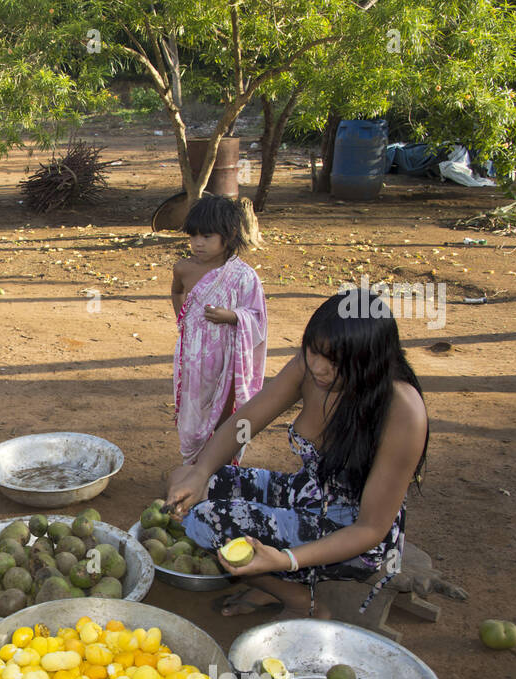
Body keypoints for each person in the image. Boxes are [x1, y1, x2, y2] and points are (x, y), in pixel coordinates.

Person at [164, 292, 428, 619]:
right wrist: (201, 470)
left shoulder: (401, 411)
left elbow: (370, 529)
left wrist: (286, 559)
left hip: (354, 536)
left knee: (207, 521)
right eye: (314, 351)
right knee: (186, 480)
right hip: (305, 494)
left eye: (333, 360)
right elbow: (245, 423)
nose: (317, 366)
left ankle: (301, 600)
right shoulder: (309, 366)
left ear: (369, 361)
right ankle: (270, 580)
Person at [170, 194, 268, 466]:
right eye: (193, 236)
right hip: (193, 358)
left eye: (207, 237)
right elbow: (177, 291)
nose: (197, 243)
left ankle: (222, 466)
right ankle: (196, 465)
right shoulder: (184, 268)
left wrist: (233, 316)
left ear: (230, 234)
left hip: (228, 360)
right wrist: (184, 320)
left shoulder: (243, 276)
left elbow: (257, 318)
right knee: (195, 409)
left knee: (225, 412)